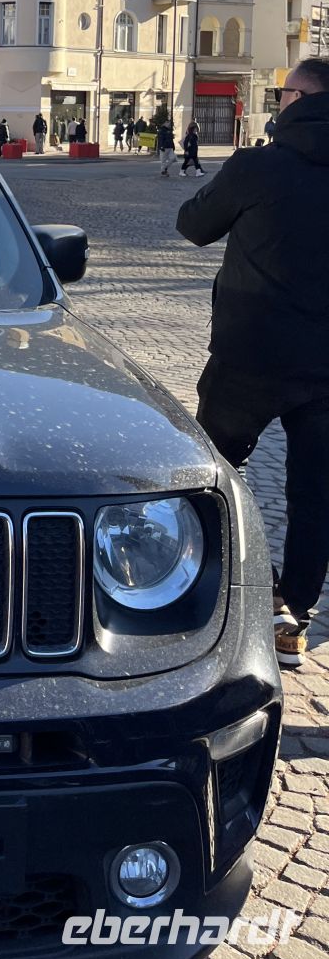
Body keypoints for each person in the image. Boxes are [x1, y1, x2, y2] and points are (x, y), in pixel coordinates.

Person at [176, 58, 329, 668]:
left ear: (296, 98)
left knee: (214, 470)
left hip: (250, 354)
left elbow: (193, 225)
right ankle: (296, 613)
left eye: (281, 92)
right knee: (316, 493)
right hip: (326, 366)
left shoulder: (259, 166)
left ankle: (215, 594)